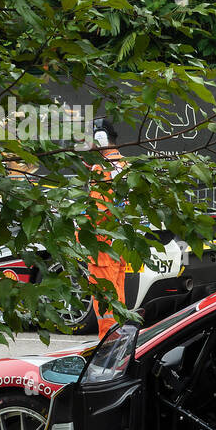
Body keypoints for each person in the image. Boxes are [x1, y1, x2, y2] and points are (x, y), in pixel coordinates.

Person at [86, 118, 127, 339]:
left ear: (100, 138)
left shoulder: (102, 170)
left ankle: (108, 344)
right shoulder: (124, 165)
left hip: (101, 245)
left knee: (105, 300)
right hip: (118, 243)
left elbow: (96, 213)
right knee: (118, 298)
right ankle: (119, 341)